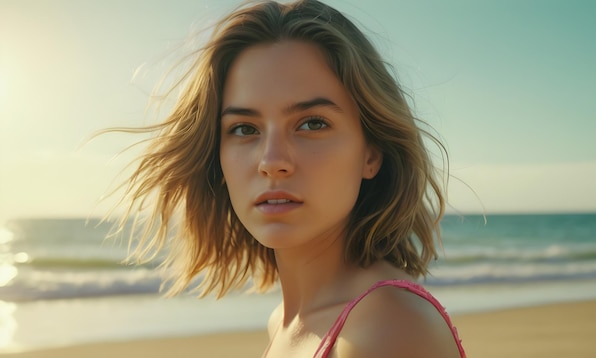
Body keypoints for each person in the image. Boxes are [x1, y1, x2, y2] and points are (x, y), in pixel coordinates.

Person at [111, 0, 465, 356]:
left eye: (312, 123)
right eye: (245, 128)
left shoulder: (388, 327)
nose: (272, 162)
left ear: (371, 153)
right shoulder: (285, 322)